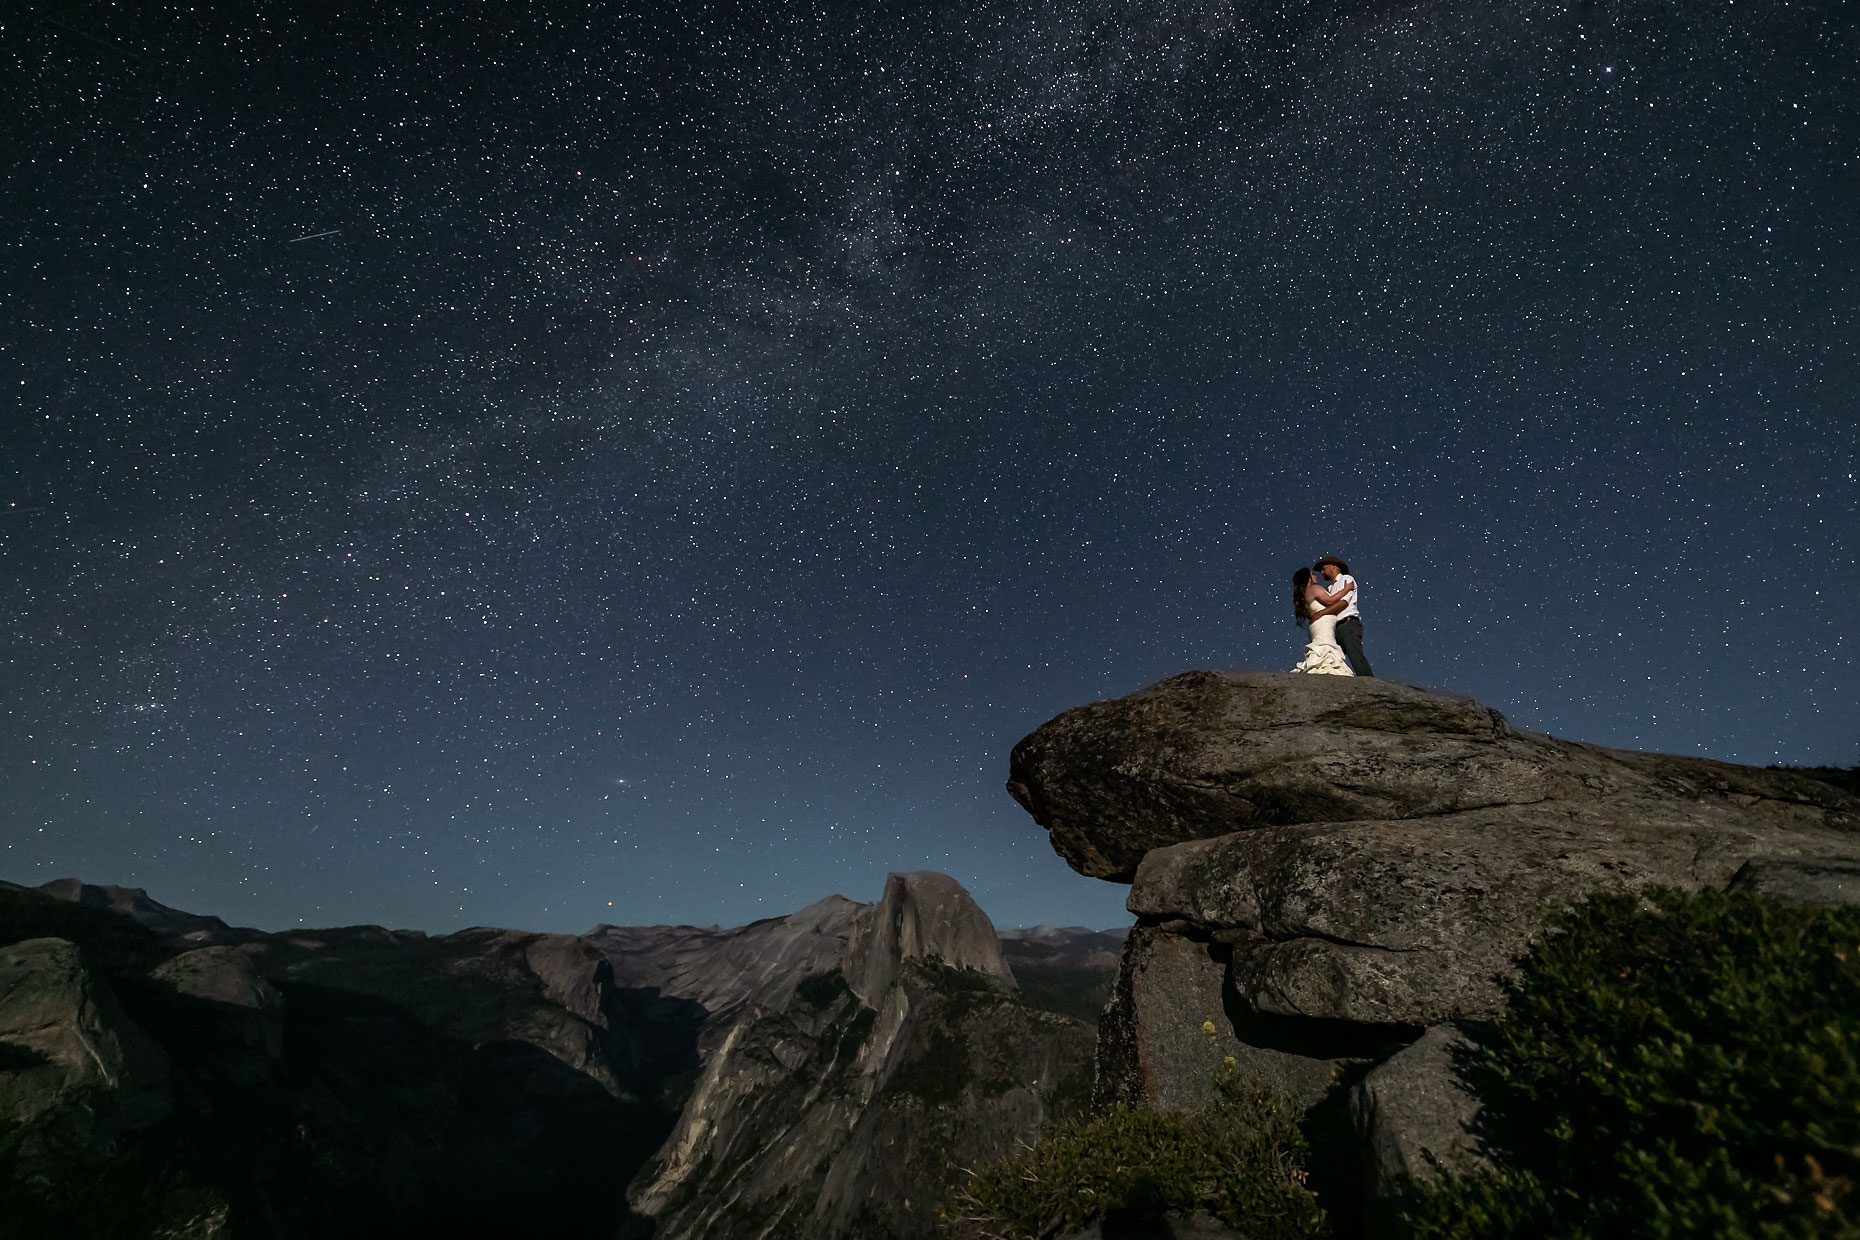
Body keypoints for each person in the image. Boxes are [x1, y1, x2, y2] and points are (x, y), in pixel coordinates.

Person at [1311, 555, 1372, 676]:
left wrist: (1322, 613)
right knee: (1333, 658)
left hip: (1347, 624)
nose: (1322, 572)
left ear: (1333, 566)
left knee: (1355, 656)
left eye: (1324, 568)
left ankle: (1370, 683)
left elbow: (1343, 603)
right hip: (1336, 627)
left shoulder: (1346, 579)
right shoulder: (1330, 588)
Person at [1290, 565, 1354, 676]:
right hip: (1323, 624)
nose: (1315, 575)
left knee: (1324, 646)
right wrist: (1347, 589)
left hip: (1319, 624)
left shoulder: (1305, 592)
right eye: (1312, 574)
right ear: (1308, 578)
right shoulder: (1314, 588)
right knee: (1325, 647)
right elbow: (1330, 601)